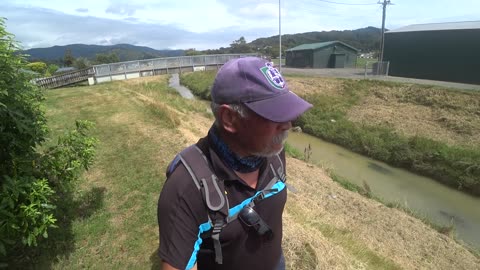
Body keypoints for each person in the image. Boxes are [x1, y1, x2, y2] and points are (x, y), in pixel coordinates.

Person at [157, 57, 312, 270]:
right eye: (274, 114)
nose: (287, 124)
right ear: (229, 118)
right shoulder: (186, 188)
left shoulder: (272, 151)